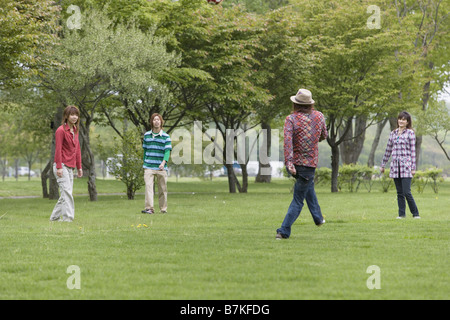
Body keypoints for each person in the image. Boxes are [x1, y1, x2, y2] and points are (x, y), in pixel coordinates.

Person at [276, 88, 328, 239]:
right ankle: (318, 218)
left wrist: (289, 163)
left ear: (295, 104)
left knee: (299, 199)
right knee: (307, 187)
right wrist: (312, 140)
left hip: (296, 164)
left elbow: (287, 143)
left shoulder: (291, 119)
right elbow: (324, 135)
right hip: (310, 163)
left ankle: (284, 230)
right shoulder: (319, 116)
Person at [381, 111, 420, 219]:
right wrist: (383, 165)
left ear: (407, 122)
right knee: (399, 193)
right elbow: (388, 150)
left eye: (404, 120)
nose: (401, 121)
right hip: (395, 166)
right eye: (400, 119)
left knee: (407, 192)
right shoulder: (393, 133)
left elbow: (413, 151)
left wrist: (413, 168)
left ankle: (415, 214)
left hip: (406, 166)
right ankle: (401, 214)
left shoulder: (410, 133)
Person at [50, 105, 83, 222]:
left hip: (70, 166)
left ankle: (54, 218)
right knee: (67, 193)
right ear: (66, 116)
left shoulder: (75, 130)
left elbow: (77, 149)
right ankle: (68, 219)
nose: (74, 117)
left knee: (65, 194)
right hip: (61, 166)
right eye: (72, 115)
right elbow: (58, 149)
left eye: (76, 115)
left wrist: (79, 167)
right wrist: (59, 167)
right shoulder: (61, 131)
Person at [142, 113, 172, 214]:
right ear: (151, 122)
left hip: (161, 167)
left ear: (161, 122)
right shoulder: (146, 135)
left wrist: (163, 163)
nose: (156, 121)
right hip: (149, 166)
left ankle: (163, 209)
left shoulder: (166, 137)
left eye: (158, 120)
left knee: (162, 190)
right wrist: (145, 162)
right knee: (148, 188)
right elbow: (145, 150)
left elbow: (167, 152)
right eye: (154, 120)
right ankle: (149, 208)